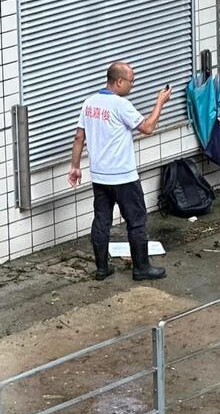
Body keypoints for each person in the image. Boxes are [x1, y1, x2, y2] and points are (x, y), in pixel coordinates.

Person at [68, 62, 172, 281]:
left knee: (101, 221)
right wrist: (160, 103)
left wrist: (75, 167)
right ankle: (141, 269)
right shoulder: (120, 105)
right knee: (136, 221)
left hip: (99, 176)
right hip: (124, 177)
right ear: (119, 81)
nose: (132, 86)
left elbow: (79, 137)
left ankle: (102, 268)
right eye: (131, 81)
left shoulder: (89, 103)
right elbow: (147, 128)